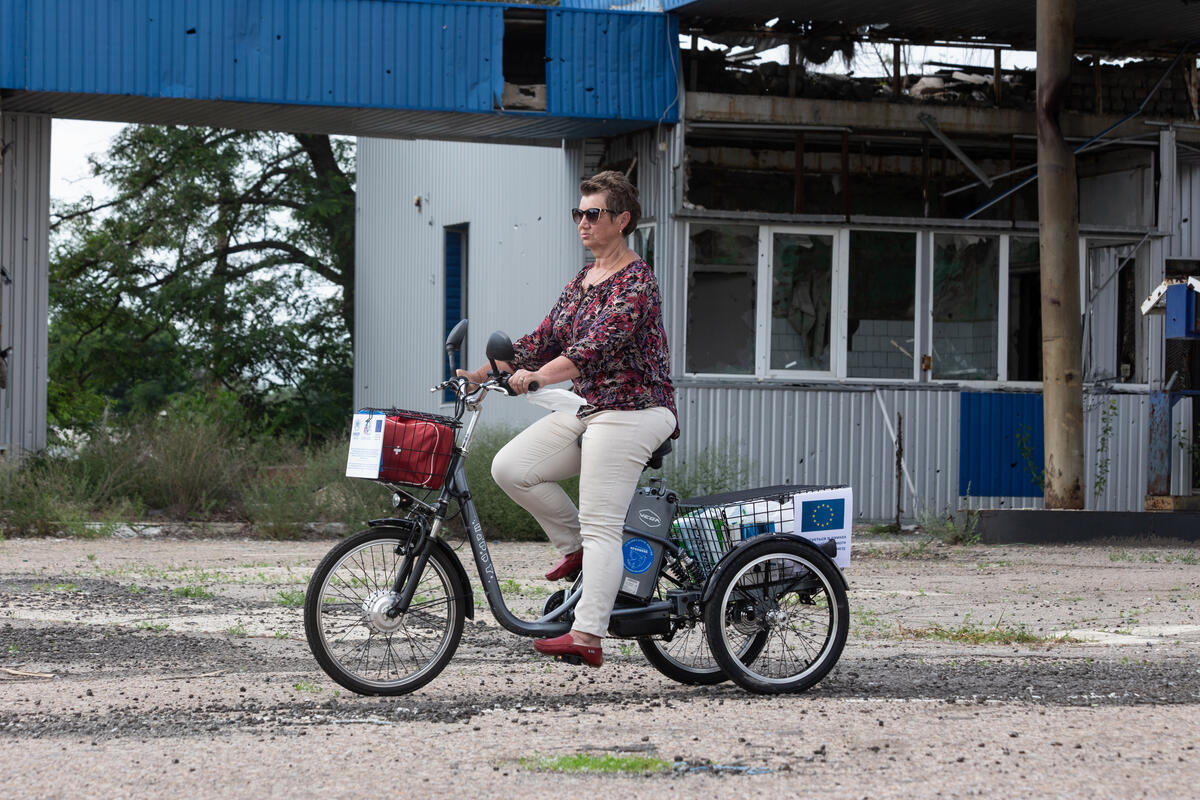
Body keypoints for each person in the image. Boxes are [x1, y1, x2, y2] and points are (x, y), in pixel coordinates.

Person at [456, 170, 677, 668]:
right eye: (577, 213)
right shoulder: (583, 280)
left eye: (592, 213)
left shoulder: (637, 284)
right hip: (591, 408)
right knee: (512, 468)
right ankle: (577, 549)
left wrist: (537, 379)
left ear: (621, 220)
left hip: (636, 410)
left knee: (604, 525)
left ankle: (588, 634)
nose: (581, 222)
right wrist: (483, 373)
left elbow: (589, 350)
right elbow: (545, 339)